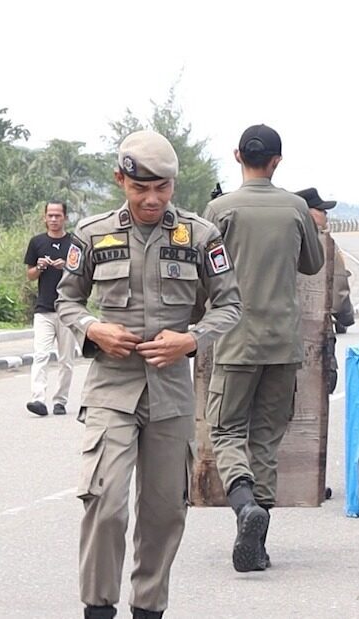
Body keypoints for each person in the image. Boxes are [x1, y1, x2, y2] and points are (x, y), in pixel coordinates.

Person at [58, 130, 242, 619]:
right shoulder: (93, 235)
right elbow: (66, 301)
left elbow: (230, 305)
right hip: (111, 390)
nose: (152, 199)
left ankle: (148, 608)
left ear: (173, 185)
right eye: (141, 188)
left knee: (164, 513)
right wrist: (94, 328)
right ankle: (99, 608)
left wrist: (192, 340)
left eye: (163, 188)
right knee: (105, 502)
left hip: (171, 395)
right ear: (121, 181)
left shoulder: (200, 236)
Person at [203, 124, 323, 573]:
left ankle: (243, 507)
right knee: (266, 440)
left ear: (238, 156)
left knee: (227, 431)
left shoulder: (219, 210)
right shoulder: (296, 208)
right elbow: (312, 263)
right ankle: (258, 541)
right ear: (277, 161)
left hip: (235, 339)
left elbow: (201, 272)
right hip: (283, 344)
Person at [24, 200, 77, 416]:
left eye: (58, 215)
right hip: (44, 309)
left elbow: (83, 271)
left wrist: (66, 266)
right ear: (44, 218)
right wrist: (40, 266)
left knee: (66, 360)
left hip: (68, 309)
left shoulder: (74, 243)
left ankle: (60, 401)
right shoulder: (37, 242)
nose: (54, 219)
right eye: (50, 215)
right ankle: (38, 399)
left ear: (65, 217)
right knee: (41, 355)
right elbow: (30, 275)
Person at [296, 188, 355, 332]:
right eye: (322, 210)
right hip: (316, 329)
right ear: (309, 212)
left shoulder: (283, 238)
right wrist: (347, 317)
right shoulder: (326, 244)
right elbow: (338, 291)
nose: (326, 214)